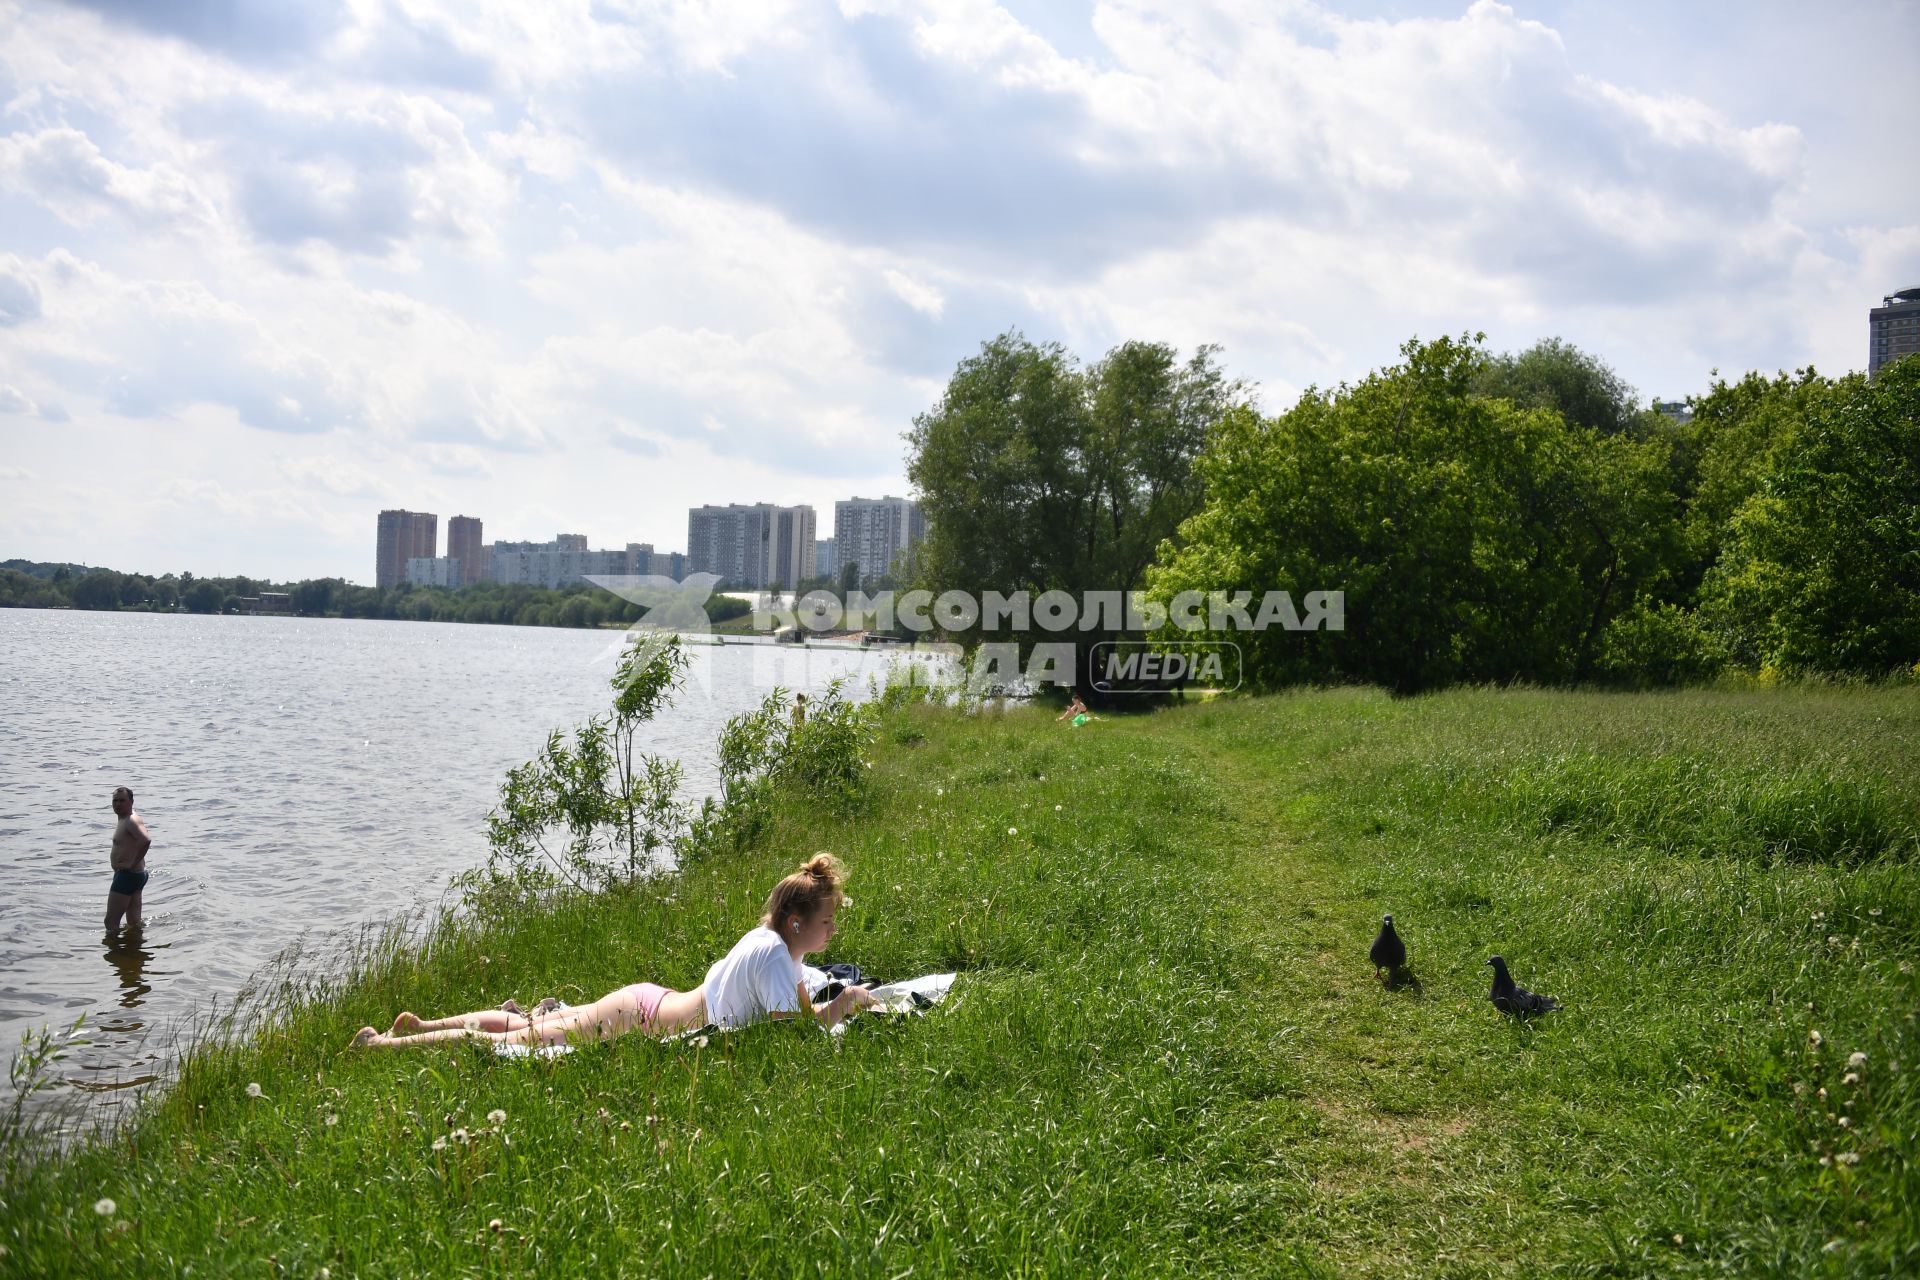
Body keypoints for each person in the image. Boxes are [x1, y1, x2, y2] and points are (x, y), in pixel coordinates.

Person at [349, 853, 878, 1050]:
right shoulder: (768, 955)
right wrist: (847, 1004)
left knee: (529, 1027)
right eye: (826, 921)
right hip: (642, 1016)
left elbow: (802, 1020)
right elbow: (794, 1041)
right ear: (795, 921)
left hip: (650, 1001)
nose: (833, 931)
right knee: (530, 1037)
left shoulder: (784, 953)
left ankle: (420, 1028)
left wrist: (844, 999)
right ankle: (387, 1046)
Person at [105, 786, 151, 933]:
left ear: (131, 801)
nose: (118, 804)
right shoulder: (125, 819)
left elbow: (145, 840)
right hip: (135, 875)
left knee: (111, 922)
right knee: (133, 921)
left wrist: (131, 863)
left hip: (128, 876)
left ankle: (116, 954)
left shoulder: (131, 820)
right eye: (115, 801)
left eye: (122, 801)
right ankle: (135, 951)